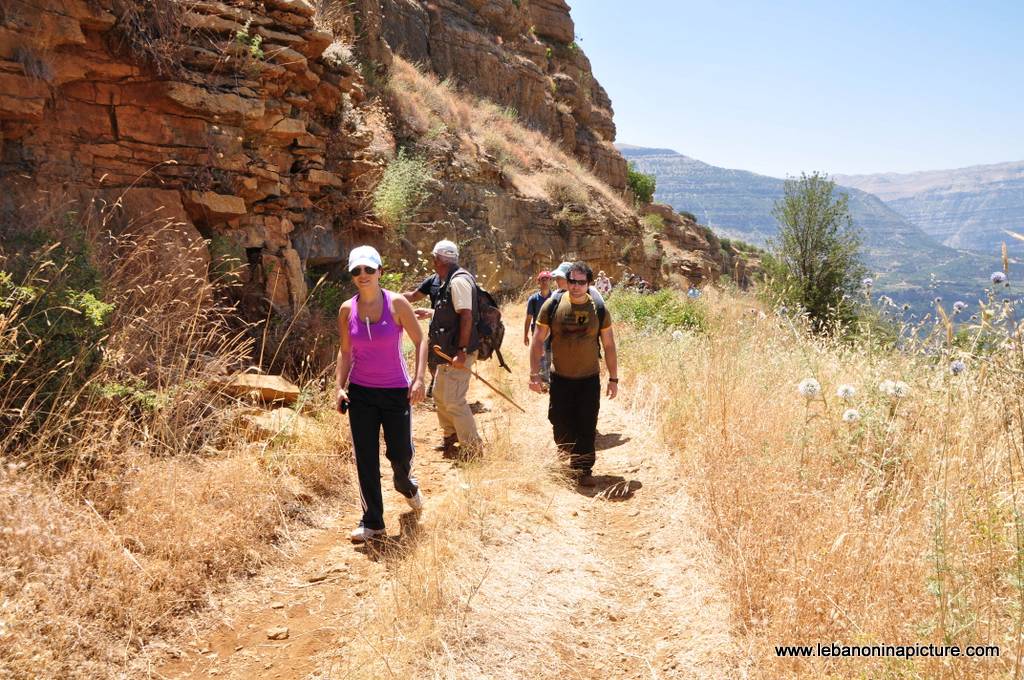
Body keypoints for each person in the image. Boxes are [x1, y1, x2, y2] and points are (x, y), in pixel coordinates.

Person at [335, 246, 428, 543]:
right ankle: (373, 521)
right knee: (365, 458)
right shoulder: (347, 309)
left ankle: (407, 485)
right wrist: (339, 386)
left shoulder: (397, 304)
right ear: (352, 275)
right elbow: (346, 351)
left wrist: (418, 379)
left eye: (368, 270)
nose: (363, 275)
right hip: (361, 392)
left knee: (399, 454)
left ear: (379, 272)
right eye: (356, 271)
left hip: (396, 391)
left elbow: (420, 339)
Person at [529, 261, 618, 486]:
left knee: (587, 424)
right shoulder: (552, 305)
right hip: (560, 378)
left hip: (588, 379)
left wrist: (613, 378)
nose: (576, 286)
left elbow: (608, 345)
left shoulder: (598, 308)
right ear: (566, 282)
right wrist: (534, 374)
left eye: (581, 282)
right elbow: (538, 340)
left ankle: (583, 469)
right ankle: (565, 450)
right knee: (559, 421)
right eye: (572, 281)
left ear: (588, 284)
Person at [404, 239, 482, 459]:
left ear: (437, 260)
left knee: (455, 400)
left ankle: (472, 449)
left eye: (433, 258)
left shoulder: (458, 281)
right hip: (446, 350)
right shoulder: (442, 279)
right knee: (440, 395)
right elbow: (451, 311)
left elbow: (466, 316)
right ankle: (452, 438)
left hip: (458, 351)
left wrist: (462, 350)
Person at [524, 270, 553, 385]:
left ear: (551, 281)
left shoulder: (555, 297)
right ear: (538, 282)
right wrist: (525, 335)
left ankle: (551, 378)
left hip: (553, 332)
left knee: (551, 354)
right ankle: (544, 380)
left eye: (547, 279)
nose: (545, 282)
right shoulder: (533, 299)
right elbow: (528, 318)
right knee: (540, 355)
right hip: (538, 332)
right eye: (543, 279)